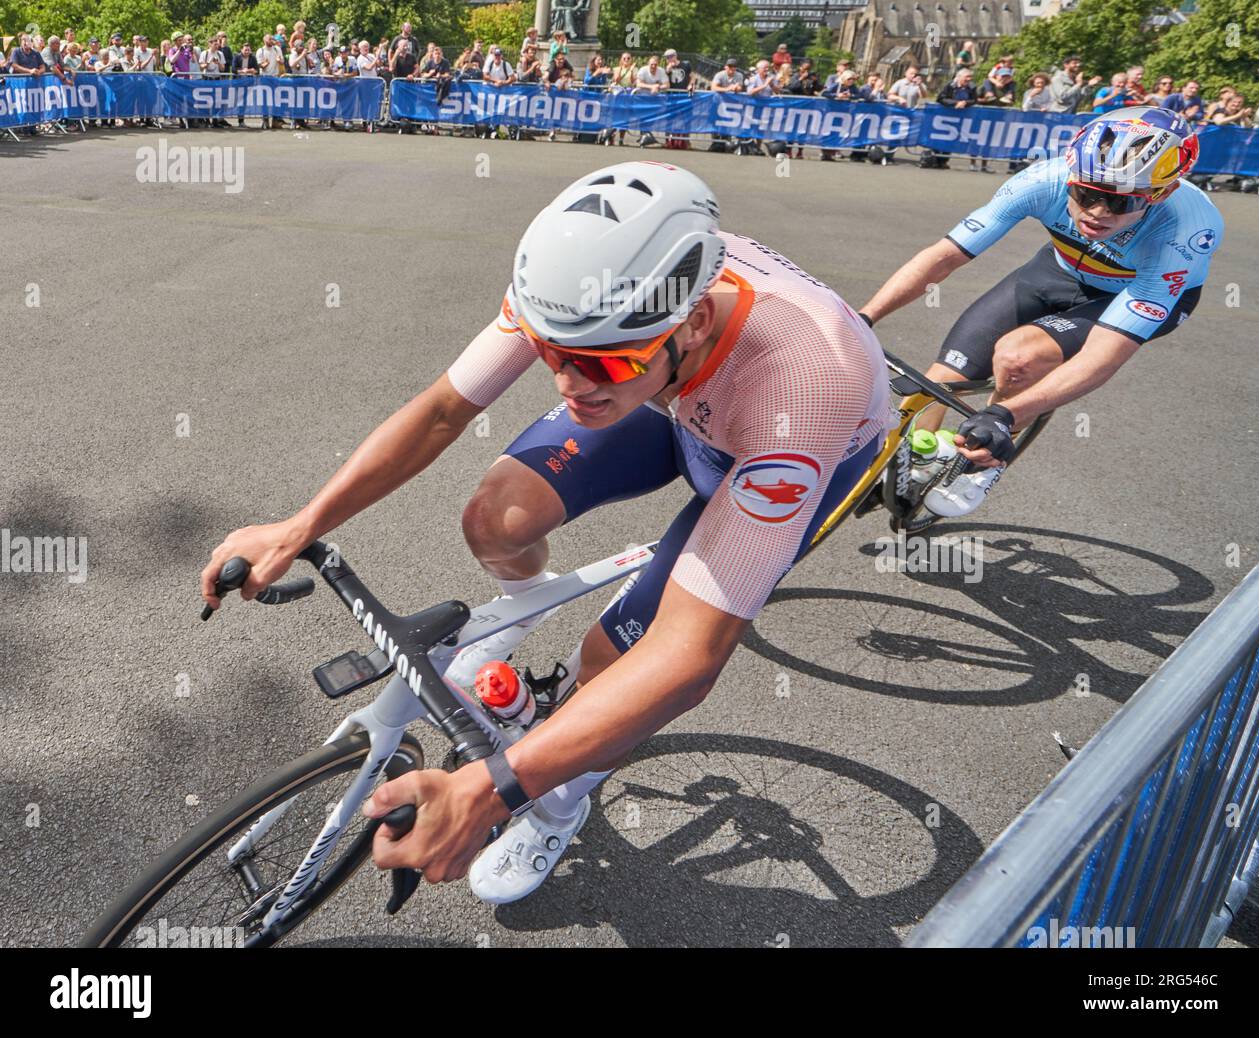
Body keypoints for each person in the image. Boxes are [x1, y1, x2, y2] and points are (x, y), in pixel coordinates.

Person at [199, 162, 889, 905]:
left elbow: (690, 656)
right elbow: (440, 411)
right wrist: (298, 525)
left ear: (692, 321)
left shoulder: (810, 379)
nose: (570, 383)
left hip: (779, 441)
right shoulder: (579, 287)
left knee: (609, 658)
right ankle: (521, 610)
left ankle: (562, 803)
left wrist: (496, 790)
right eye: (551, 353)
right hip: (668, 399)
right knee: (496, 521)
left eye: (599, 362)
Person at [858, 106, 1221, 518]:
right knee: (940, 379)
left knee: (1018, 358)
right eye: (1086, 194)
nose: (1098, 211)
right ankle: (919, 466)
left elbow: (1105, 354)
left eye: (1120, 202)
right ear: (1070, 177)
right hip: (1057, 269)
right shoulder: (1042, 179)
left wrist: (1004, 415)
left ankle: (986, 459)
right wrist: (864, 317)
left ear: (1161, 194)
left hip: (1133, 293)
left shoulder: (1186, 232)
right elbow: (945, 256)